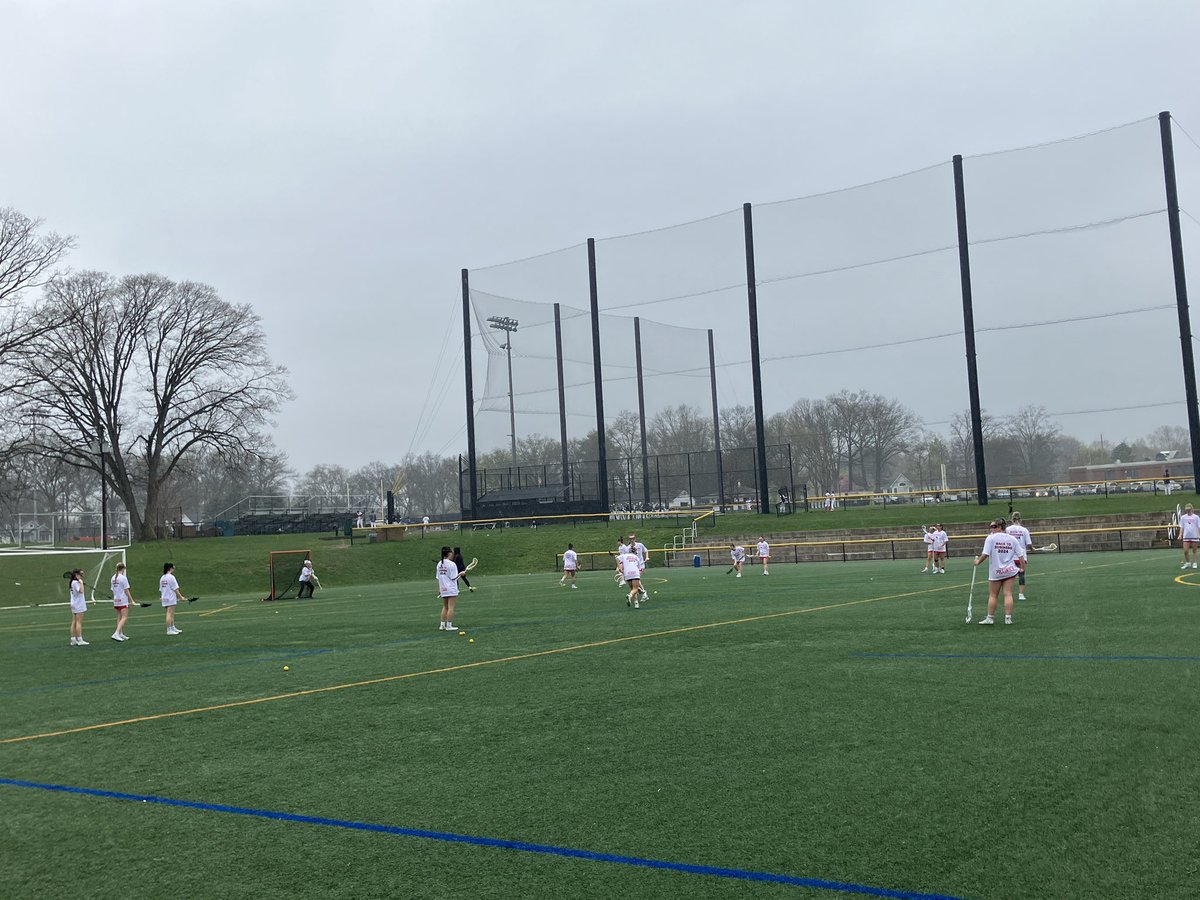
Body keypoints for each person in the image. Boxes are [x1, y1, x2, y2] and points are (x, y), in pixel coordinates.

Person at [973, 518, 1026, 626]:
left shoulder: (990, 538)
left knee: (993, 595)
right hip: (1010, 571)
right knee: (1008, 594)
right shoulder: (1012, 539)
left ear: (999, 527)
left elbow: (985, 554)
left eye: (993, 527)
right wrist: (1022, 567)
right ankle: (1008, 618)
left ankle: (990, 618)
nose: (991, 529)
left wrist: (978, 562)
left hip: (995, 572)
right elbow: (1021, 556)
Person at [436, 546, 467, 631]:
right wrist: (461, 573)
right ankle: (449, 626)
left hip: (443, 589)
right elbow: (453, 578)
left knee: (445, 607)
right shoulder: (452, 564)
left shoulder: (439, 564)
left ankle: (442, 625)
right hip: (451, 589)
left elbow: (439, 577)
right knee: (451, 607)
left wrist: (440, 589)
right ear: (449, 553)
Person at [1006, 513, 1034, 599]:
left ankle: (1008, 594)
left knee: (1009, 576)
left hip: (1009, 556)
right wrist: (1032, 549)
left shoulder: (1007, 529)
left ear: (1012, 520)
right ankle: (1021, 594)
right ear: (1020, 520)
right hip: (1021, 556)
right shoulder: (1024, 530)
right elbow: (1029, 544)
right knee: (1021, 574)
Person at [110, 561, 136, 641]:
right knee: (124, 617)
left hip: (116, 600)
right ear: (123, 569)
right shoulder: (123, 578)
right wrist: (131, 601)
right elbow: (126, 590)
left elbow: (113, 589)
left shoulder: (113, 577)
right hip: (122, 600)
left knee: (120, 617)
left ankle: (120, 633)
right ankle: (116, 633)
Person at [160, 562, 187, 635]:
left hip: (165, 597)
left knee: (171, 613)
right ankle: (169, 630)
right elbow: (175, 589)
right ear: (170, 568)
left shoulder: (162, 577)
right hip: (170, 598)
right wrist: (181, 597)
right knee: (169, 614)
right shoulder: (171, 577)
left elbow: (161, 589)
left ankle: (172, 627)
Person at [66, 568, 88, 646]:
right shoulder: (76, 583)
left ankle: (73, 640)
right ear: (76, 575)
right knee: (78, 622)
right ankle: (79, 639)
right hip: (78, 604)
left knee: (74, 621)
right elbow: (81, 591)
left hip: (74, 603)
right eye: (80, 575)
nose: (81, 576)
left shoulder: (72, 582)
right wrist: (81, 583)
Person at [629, 533, 649, 602]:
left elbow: (646, 550)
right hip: (633, 566)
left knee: (636, 579)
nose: (632, 540)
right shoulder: (628, 547)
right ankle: (643, 592)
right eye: (630, 539)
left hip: (640, 565)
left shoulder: (640, 545)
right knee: (634, 580)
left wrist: (647, 557)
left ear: (635, 539)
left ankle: (644, 593)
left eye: (633, 538)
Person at [1180, 503, 1200, 569]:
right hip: (1186, 536)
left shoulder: (1196, 517)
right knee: (1185, 551)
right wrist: (1180, 534)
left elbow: (1198, 527)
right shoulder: (1183, 517)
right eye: (1187, 510)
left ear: (1191, 509)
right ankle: (1187, 563)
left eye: (1189, 509)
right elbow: (1182, 527)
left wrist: (1199, 535)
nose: (1188, 511)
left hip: (1194, 536)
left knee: (1194, 551)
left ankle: (1194, 563)